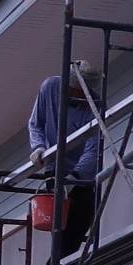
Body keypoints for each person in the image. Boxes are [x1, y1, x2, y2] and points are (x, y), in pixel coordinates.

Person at [27, 64, 103, 254]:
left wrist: (75, 177)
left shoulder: (96, 107)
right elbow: (36, 123)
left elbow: (92, 150)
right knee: (62, 226)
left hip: (83, 174)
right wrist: (38, 146)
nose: (73, 94)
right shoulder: (50, 87)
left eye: (79, 91)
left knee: (82, 219)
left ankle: (59, 264)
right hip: (56, 167)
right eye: (71, 88)